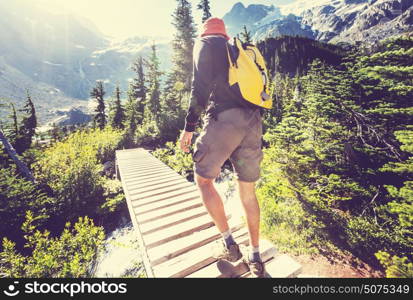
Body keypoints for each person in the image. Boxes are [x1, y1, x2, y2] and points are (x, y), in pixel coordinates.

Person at [179, 17, 265, 278]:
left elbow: (199, 90)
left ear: (204, 33)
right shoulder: (235, 51)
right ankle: (255, 257)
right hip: (253, 122)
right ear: (225, 34)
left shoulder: (205, 45)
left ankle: (230, 245)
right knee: (248, 192)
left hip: (224, 122)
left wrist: (189, 128)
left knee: (203, 180)